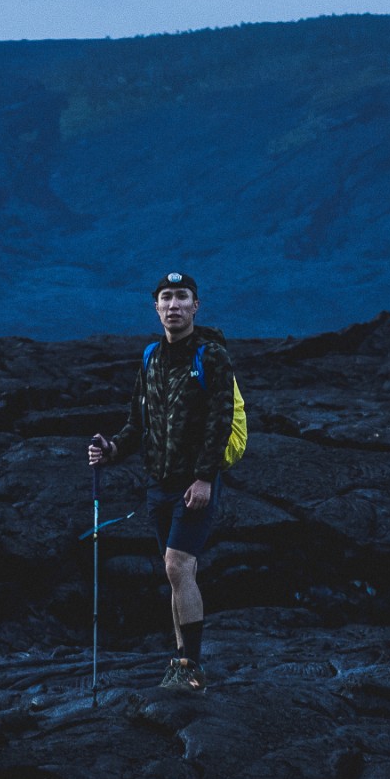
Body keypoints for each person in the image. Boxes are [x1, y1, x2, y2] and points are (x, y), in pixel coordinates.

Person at [89, 271, 237, 691]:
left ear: (196, 306)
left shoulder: (212, 356)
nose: (174, 305)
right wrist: (112, 449)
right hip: (159, 482)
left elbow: (219, 420)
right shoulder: (151, 357)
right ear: (156, 307)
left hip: (194, 484)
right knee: (176, 573)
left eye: (182, 297)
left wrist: (206, 478)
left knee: (177, 565)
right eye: (166, 298)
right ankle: (181, 660)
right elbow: (139, 422)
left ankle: (191, 667)